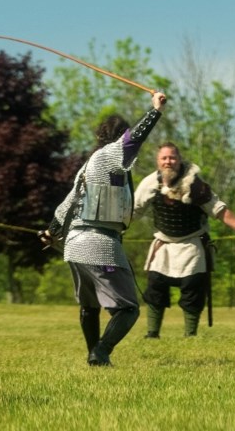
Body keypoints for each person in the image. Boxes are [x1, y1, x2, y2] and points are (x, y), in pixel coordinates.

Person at [40, 90, 168, 367]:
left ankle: (94, 357)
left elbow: (66, 205)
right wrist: (155, 110)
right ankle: (101, 351)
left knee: (90, 305)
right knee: (129, 308)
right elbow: (134, 139)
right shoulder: (110, 156)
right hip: (99, 244)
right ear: (117, 135)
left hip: (74, 245)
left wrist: (51, 231)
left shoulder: (87, 166)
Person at [132, 143, 235, 338]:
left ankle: (190, 334)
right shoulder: (149, 184)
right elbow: (133, 211)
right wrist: (113, 228)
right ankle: (152, 333)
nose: (168, 162)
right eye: (164, 158)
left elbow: (219, 209)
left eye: (172, 157)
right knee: (155, 289)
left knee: (193, 291)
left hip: (192, 245)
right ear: (158, 161)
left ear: (179, 159)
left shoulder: (195, 184)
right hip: (163, 245)